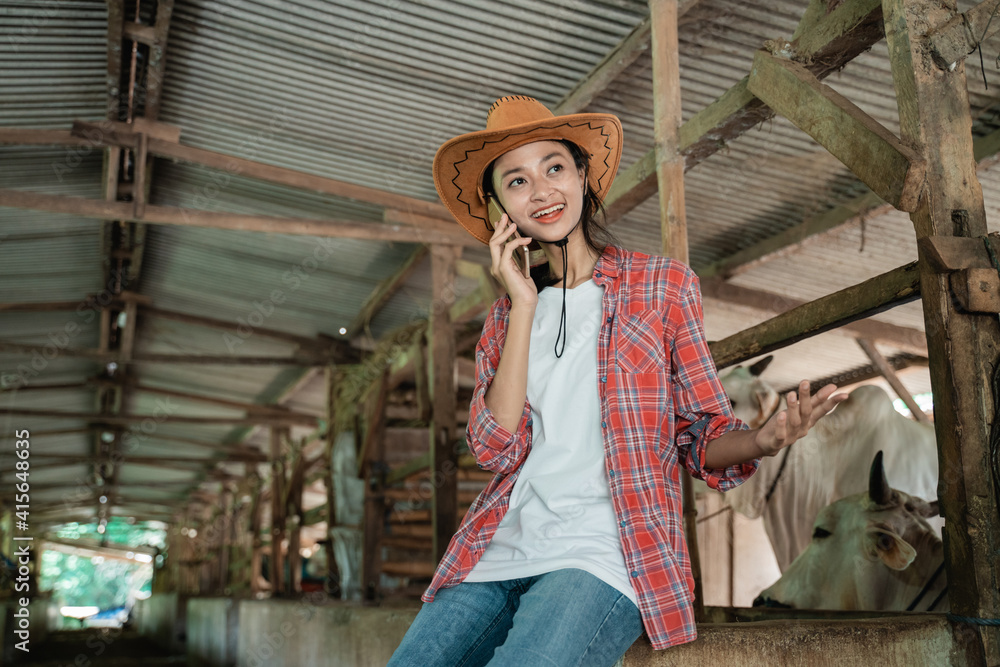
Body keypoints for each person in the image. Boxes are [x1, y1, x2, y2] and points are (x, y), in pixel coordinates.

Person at [387, 96, 847, 667]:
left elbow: (699, 432)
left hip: (607, 552)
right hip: (498, 547)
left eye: (554, 167)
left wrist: (765, 440)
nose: (542, 190)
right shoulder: (505, 319)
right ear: (500, 207)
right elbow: (494, 447)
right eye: (517, 181)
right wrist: (524, 303)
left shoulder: (662, 286)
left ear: (583, 174)